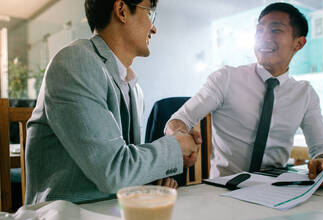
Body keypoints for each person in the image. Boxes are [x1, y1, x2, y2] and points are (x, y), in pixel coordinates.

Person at [25, 0, 199, 204]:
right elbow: (113, 172)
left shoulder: (134, 88)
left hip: (112, 216)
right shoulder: (74, 62)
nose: (154, 27)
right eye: (150, 13)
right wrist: (174, 148)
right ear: (122, 11)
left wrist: (151, 179)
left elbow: (122, 169)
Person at [166, 2, 323, 185]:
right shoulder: (226, 78)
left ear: (298, 43)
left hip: (276, 191)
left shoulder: (305, 93)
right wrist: (179, 135)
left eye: (275, 30)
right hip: (224, 190)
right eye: (259, 30)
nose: (264, 38)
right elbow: (179, 119)